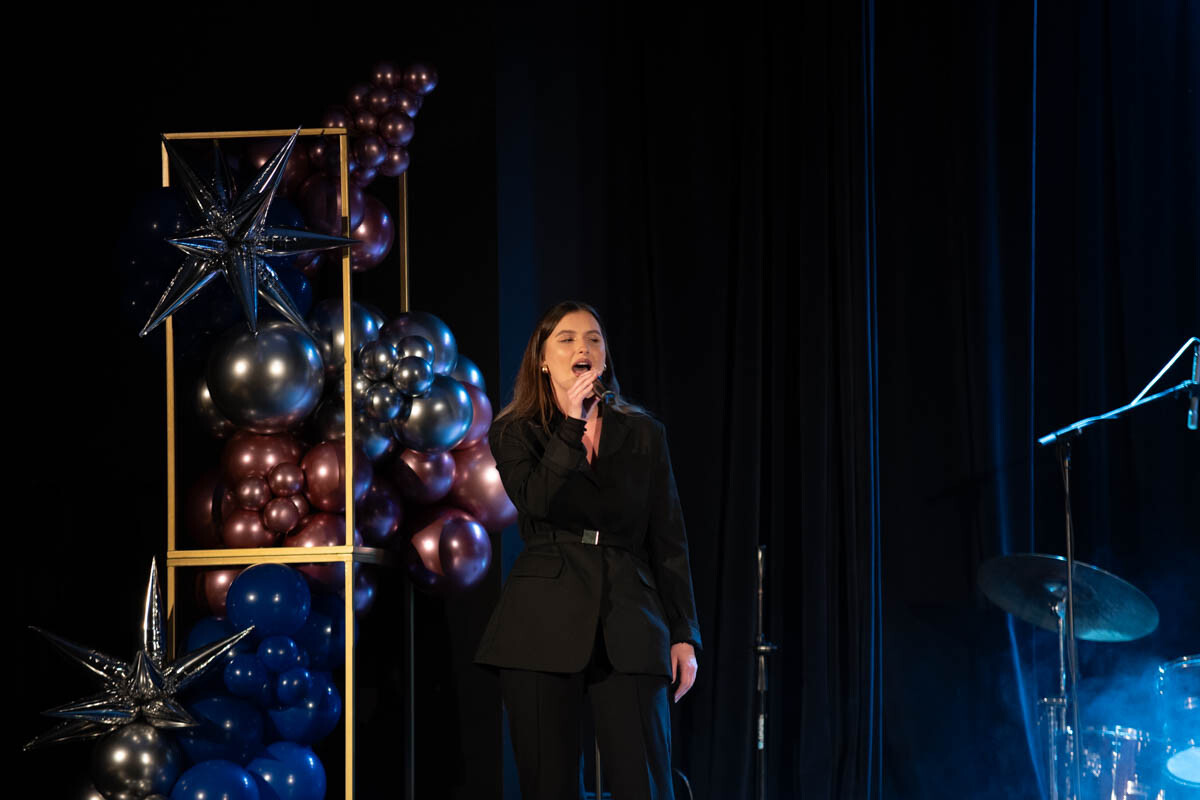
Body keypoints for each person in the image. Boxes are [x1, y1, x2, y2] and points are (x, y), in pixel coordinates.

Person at [474, 300, 702, 800]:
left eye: (594, 339)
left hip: (631, 614)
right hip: (541, 621)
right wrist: (571, 425)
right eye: (568, 338)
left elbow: (669, 538)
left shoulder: (644, 434)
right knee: (549, 784)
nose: (584, 347)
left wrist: (684, 633)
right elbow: (535, 499)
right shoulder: (515, 430)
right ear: (542, 359)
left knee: (645, 783)